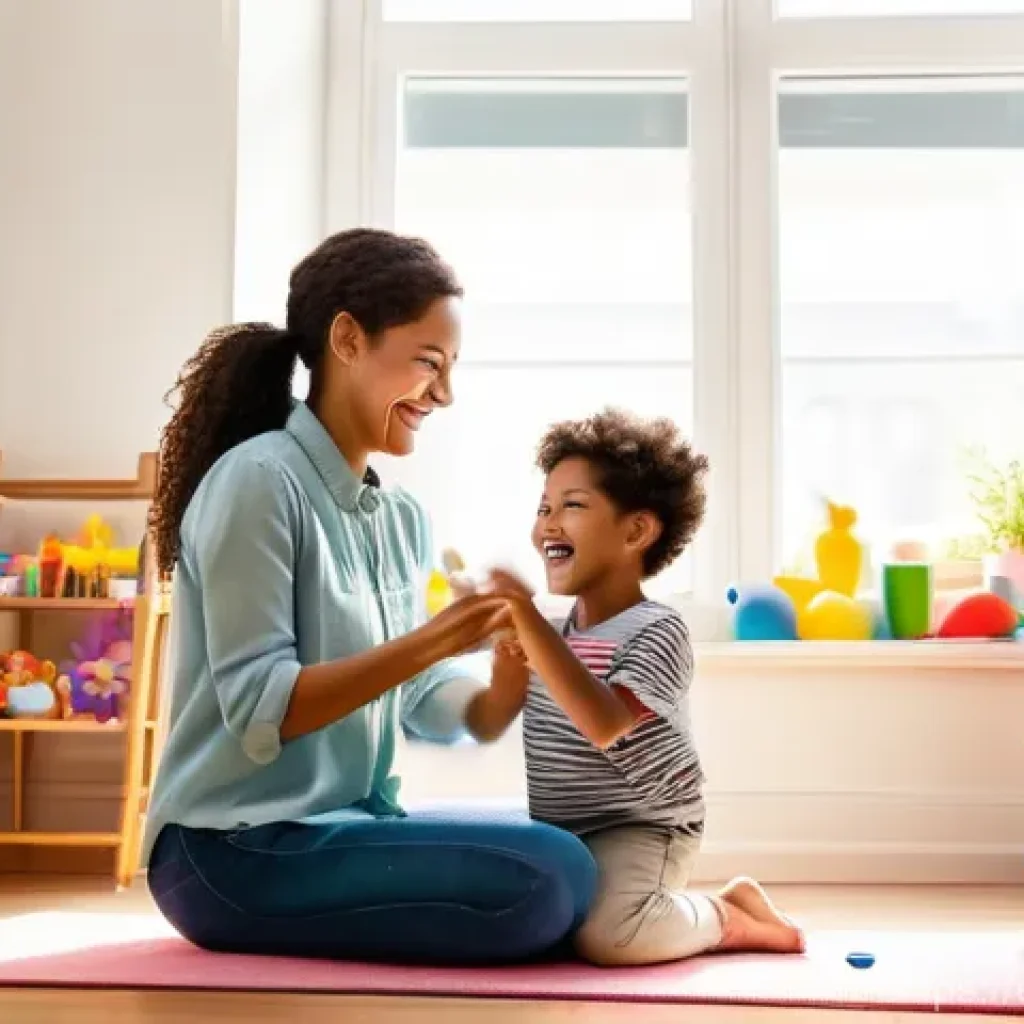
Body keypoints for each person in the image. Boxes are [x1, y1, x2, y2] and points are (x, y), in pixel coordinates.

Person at [142, 228, 596, 965]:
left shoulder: (398, 517)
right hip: (228, 852)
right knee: (551, 876)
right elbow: (267, 708)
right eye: (428, 363)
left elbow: (426, 701)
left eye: (451, 369)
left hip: (340, 827)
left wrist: (507, 677)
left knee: (580, 847)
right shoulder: (258, 482)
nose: (443, 394)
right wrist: (442, 635)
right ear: (347, 339)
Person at [479, 409, 806, 966]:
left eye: (572, 506)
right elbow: (490, 718)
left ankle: (728, 914)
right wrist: (498, 649)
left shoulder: (658, 628)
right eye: (544, 508)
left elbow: (607, 722)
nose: (549, 524)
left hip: (644, 824)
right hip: (562, 825)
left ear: (636, 531)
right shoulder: (552, 637)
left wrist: (528, 624)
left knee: (613, 940)